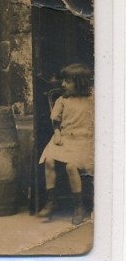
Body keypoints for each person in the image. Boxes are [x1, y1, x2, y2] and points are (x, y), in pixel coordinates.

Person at [38, 63, 94, 225]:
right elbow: (56, 121)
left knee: (71, 166)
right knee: (49, 159)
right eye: (63, 81)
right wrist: (56, 133)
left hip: (84, 140)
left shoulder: (93, 99)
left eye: (68, 81)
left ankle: (79, 206)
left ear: (80, 83)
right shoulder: (63, 100)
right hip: (65, 138)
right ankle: (51, 201)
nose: (63, 85)